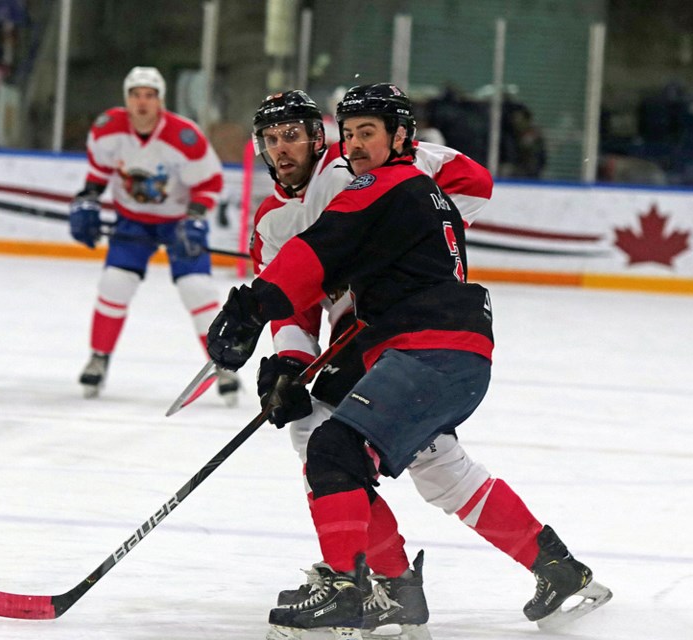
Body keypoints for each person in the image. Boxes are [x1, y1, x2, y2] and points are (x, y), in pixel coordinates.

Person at [209, 83, 611, 639]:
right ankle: (551, 568)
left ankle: (373, 585)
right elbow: (297, 298)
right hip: (382, 341)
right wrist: (289, 361)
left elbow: (462, 187)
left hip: (400, 338)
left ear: (316, 137)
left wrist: (407, 186)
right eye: (272, 139)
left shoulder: (359, 175)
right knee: (436, 462)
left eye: (294, 135)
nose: (284, 148)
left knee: (325, 444)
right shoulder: (273, 220)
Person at [69, 66, 240, 403]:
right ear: (126, 99)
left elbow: (209, 185)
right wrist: (87, 200)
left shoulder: (183, 137)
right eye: (135, 95)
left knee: (197, 289)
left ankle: (222, 364)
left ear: (160, 100)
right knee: (115, 283)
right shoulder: (108, 130)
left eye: (149, 95)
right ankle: (99, 358)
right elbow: (97, 174)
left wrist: (193, 219)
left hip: (178, 220)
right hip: (132, 220)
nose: (142, 102)